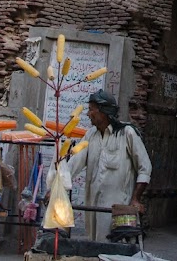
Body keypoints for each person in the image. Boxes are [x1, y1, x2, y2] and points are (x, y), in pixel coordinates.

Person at [67, 89, 152, 242]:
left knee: (116, 249)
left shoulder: (127, 134)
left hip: (118, 211)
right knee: (95, 245)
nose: (88, 114)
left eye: (91, 110)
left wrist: (136, 199)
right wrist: (55, 187)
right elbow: (73, 165)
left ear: (103, 112)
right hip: (93, 208)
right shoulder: (90, 135)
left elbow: (145, 168)